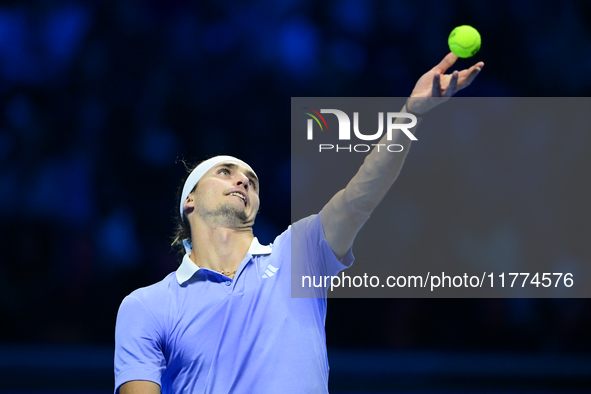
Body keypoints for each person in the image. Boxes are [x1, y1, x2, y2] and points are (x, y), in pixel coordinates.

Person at [114, 52, 484, 394]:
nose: (241, 180)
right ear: (189, 200)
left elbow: (360, 196)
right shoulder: (145, 306)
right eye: (225, 173)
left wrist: (409, 114)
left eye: (251, 180)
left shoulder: (297, 254)